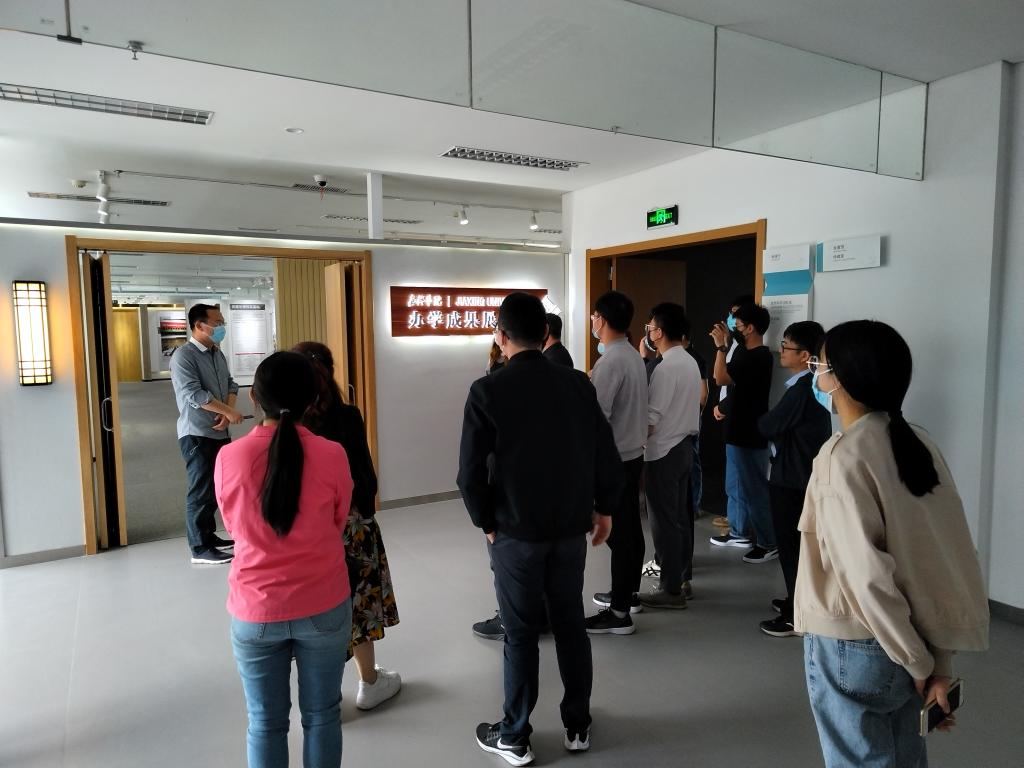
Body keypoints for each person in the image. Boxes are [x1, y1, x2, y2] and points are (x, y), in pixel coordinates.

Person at [796, 320, 989, 767]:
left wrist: (917, 663)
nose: (815, 375)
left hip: (856, 644)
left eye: (819, 365)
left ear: (840, 377)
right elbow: (943, 558)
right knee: (906, 758)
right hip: (913, 636)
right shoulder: (919, 443)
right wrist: (936, 662)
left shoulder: (841, 456)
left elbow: (864, 577)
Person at [458, 292, 622, 765]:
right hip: (570, 529)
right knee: (570, 627)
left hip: (514, 532)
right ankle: (578, 725)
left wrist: (485, 522)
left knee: (520, 633)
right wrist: (605, 508)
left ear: (501, 335)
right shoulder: (577, 384)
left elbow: (469, 473)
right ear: (545, 333)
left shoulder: (487, 390)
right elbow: (603, 450)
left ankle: (515, 735)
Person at [214, 351, 354, 768]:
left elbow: (233, 524)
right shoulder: (332, 454)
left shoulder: (230, 457)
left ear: (254, 398)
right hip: (324, 604)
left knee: (264, 723)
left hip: (256, 609)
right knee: (323, 715)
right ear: (313, 400)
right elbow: (339, 520)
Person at [294, 341, 401, 711]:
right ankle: (369, 682)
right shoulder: (348, 416)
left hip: (308, 533)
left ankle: (322, 696)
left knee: (317, 611)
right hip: (353, 527)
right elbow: (365, 480)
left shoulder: (288, 426)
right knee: (358, 603)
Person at [755, 322, 832, 638]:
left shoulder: (802, 390)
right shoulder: (811, 385)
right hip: (800, 475)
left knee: (792, 547)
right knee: (796, 546)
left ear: (805, 355)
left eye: (787, 346)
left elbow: (768, 425)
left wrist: (764, 422)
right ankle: (795, 600)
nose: (781, 350)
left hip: (792, 478)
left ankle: (796, 617)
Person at [585, 291, 648, 634]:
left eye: (594, 316)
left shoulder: (611, 362)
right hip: (632, 454)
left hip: (616, 459)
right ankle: (627, 594)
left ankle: (620, 612)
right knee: (630, 531)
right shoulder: (631, 354)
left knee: (620, 534)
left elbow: (598, 418)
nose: (592, 321)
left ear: (603, 320)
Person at [639, 303, 702, 609]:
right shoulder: (689, 362)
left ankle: (670, 590)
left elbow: (651, 419)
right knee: (680, 519)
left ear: (659, 332)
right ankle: (681, 579)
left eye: (650, 328)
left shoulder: (665, 368)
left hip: (663, 451)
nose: (648, 333)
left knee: (664, 523)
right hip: (684, 447)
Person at [170, 303, 243, 565]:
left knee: (215, 487)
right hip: (197, 433)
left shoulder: (217, 353)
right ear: (199, 325)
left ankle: (209, 536)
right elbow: (194, 394)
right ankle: (199, 548)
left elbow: (231, 385)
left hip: (220, 431)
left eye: (222, 322)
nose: (222, 327)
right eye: (217, 322)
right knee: (200, 490)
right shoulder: (184, 356)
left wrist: (227, 412)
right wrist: (228, 412)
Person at [709, 302, 776, 563]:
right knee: (736, 485)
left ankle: (768, 542)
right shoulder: (749, 354)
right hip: (738, 430)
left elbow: (720, 378)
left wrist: (721, 348)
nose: (735, 328)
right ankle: (740, 533)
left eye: (738, 325)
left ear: (750, 328)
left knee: (754, 489)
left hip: (749, 432)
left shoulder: (757, 356)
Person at [710, 293, 754, 529]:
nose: (731, 319)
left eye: (736, 315)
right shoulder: (736, 344)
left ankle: (738, 529)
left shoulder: (746, 350)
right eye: (731, 314)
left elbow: (725, 379)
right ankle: (735, 518)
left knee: (737, 476)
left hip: (737, 416)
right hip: (731, 412)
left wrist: (724, 406)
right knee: (734, 474)